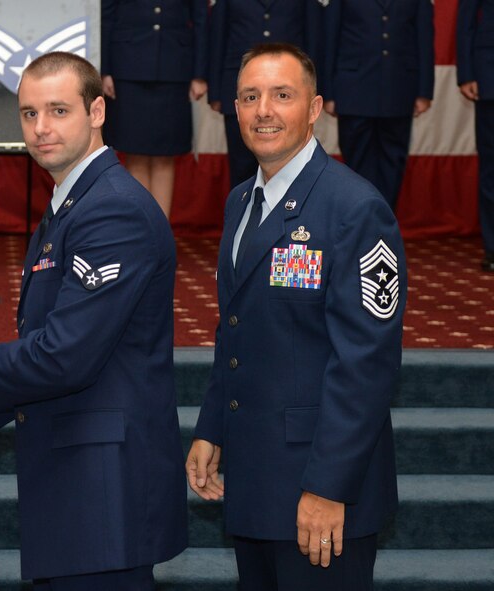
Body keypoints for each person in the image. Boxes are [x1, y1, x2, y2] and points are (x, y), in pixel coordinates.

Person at [0, 52, 187, 589]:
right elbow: (45, 354)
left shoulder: (112, 210)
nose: (41, 129)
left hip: (104, 496)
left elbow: (64, 356)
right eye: (29, 113)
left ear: (97, 110)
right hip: (79, 491)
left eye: (58, 110)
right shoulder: (72, 203)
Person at [186, 44, 405, 591]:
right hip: (255, 482)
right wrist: (213, 427)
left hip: (322, 490)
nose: (265, 110)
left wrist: (329, 488)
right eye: (250, 96)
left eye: (283, 95)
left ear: (315, 109)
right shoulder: (240, 202)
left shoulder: (355, 208)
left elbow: (367, 366)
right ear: (234, 109)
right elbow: (233, 329)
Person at [322, 0, 434, 211]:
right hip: (353, 89)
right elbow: (330, 37)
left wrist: (424, 91)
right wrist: (328, 92)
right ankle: (358, 223)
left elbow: (424, 37)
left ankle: (383, 224)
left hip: (399, 88)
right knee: (355, 164)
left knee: (393, 164)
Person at [101, 0, 208, 217]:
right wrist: (105, 69)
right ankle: (137, 230)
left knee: (165, 155)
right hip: (127, 67)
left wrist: (199, 74)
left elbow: (201, 20)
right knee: (134, 153)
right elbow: (106, 16)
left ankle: (160, 233)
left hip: (175, 67)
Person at [207, 0, 324, 189]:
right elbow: (218, 37)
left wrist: (314, 88)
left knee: (290, 165)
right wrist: (215, 92)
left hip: (289, 91)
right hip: (240, 89)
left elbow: (314, 38)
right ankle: (245, 216)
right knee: (241, 165)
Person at [457, 0, 494, 272]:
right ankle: (493, 247)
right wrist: (467, 73)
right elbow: (466, 20)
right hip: (489, 76)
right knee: (491, 167)